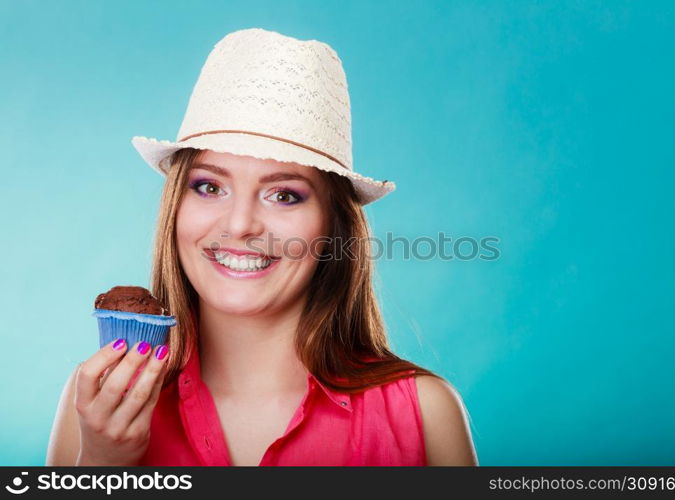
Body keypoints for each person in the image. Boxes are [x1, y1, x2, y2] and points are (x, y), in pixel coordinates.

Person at [46, 28, 478, 466]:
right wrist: (102, 468)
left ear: (334, 227)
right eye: (210, 186)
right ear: (177, 205)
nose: (240, 225)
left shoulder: (425, 415)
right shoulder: (95, 404)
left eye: (284, 195)